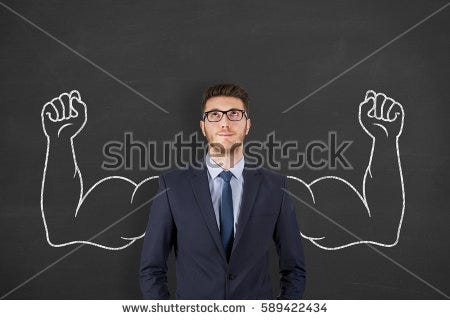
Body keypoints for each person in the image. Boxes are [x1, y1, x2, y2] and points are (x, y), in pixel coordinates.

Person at [139, 83, 306, 299]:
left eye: (234, 114)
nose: (225, 123)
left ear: (247, 125)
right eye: (215, 115)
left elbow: (294, 269)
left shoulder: (275, 186)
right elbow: (151, 269)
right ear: (203, 126)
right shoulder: (172, 187)